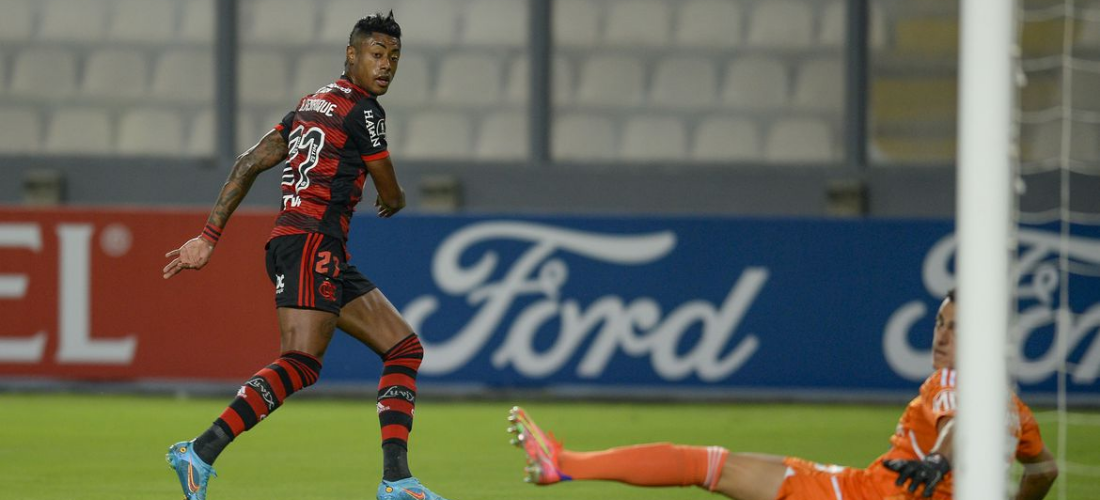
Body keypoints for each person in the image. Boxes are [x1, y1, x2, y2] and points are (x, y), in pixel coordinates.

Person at [161, 12, 450, 500]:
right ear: (351, 55)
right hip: (310, 241)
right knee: (301, 361)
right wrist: (396, 199)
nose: (386, 66)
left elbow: (249, 161)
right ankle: (200, 450)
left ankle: (397, 482)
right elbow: (390, 190)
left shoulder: (310, 105)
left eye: (394, 58)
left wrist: (209, 237)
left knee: (404, 348)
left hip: (317, 247)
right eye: (377, 55)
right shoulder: (364, 112)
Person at [508, 290, 1059, 500]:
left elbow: (957, 422)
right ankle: (568, 463)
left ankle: (566, 463)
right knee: (719, 467)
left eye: (956, 328)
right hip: (865, 485)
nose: (941, 336)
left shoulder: (957, 383)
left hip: (869, 496)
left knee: (712, 468)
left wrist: (939, 458)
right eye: (939, 323)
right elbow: (1044, 471)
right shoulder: (1019, 411)